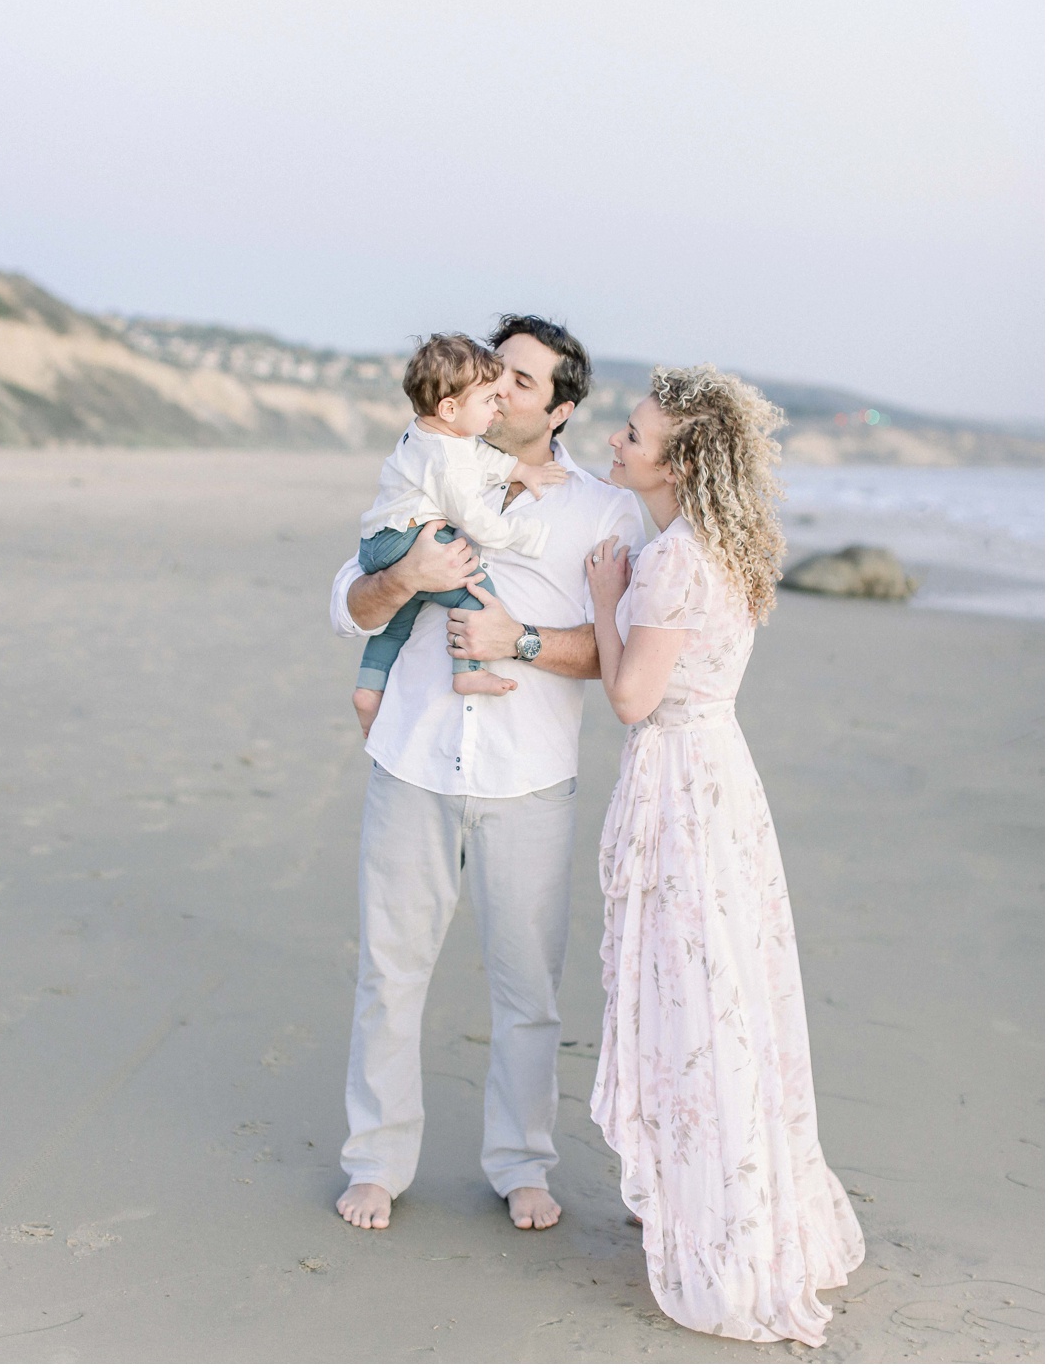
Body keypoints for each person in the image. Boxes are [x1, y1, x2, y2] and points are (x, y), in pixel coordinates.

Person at [330, 316, 647, 1233]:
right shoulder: (432, 462)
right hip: (413, 761)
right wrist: (406, 576)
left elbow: (621, 653)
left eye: (521, 379)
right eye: (493, 373)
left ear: (562, 407)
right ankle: (377, 1163)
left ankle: (520, 1162)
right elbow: (352, 601)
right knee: (390, 975)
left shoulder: (603, 510)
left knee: (528, 995)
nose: (500, 389)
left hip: (530, 783)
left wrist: (525, 640)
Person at [584, 364, 865, 1346]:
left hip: (680, 784)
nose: (616, 441)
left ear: (682, 460)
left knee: (694, 994)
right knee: (730, 990)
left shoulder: (664, 562)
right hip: (722, 779)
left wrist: (605, 600)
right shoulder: (727, 544)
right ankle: (714, 1193)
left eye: (633, 433)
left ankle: (718, 1223)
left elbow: (630, 699)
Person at [352, 331, 567, 736]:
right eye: (489, 398)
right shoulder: (446, 462)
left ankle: (368, 687)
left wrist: (521, 470)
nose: (497, 399)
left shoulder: (435, 435)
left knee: (399, 621)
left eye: (516, 383)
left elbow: (480, 457)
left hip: (380, 540)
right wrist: (521, 536)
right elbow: (475, 519)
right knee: (474, 590)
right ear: (450, 407)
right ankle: (467, 671)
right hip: (406, 541)